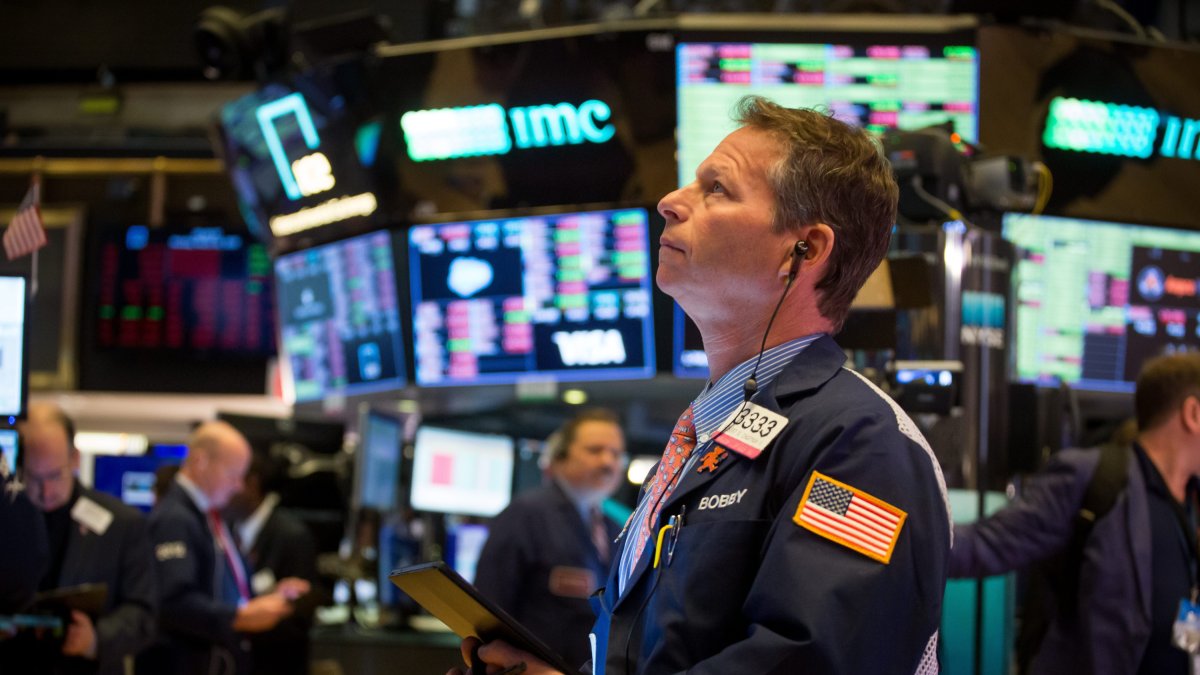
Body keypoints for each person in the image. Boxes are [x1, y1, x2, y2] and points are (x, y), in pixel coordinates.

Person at [453, 95, 951, 675]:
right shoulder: (711, 432)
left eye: (717, 188)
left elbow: (810, 664)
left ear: (804, 250)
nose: (669, 201)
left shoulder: (861, 446)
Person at [950, 352, 1200, 675]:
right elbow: (984, 545)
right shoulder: (1094, 478)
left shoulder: (1188, 502)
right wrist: (886, 532)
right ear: (1192, 413)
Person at [139, 421, 310, 675]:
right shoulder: (176, 518)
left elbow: (220, 588)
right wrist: (239, 617)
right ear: (200, 461)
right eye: (233, 475)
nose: (239, 486)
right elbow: (173, 600)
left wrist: (268, 596)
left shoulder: (210, 515)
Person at [474, 408, 626, 667]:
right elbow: (487, 612)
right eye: (595, 450)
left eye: (616, 453)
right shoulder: (525, 514)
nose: (607, 462)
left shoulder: (615, 528)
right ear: (559, 458)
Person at [18, 402, 157, 675]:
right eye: (33, 478)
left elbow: (143, 614)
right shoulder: (9, 516)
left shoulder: (121, 524)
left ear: (75, 459)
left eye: (54, 476)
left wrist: (96, 638)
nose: (45, 491)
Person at [227, 453, 319, 675]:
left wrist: (248, 617)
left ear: (252, 483)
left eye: (231, 480)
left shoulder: (292, 536)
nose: (225, 490)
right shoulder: (226, 531)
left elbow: (300, 619)